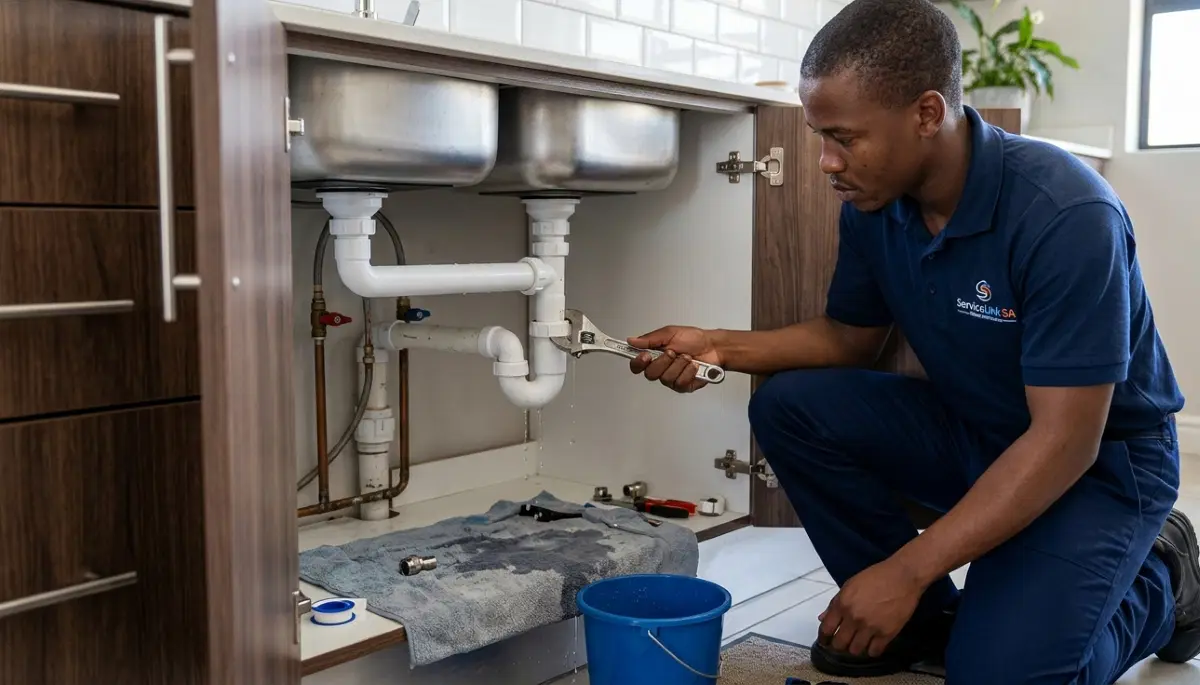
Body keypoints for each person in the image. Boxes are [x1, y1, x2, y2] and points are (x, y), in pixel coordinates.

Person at [627, 0, 1199, 682]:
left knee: (1003, 676)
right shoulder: (877, 201)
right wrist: (716, 345)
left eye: (844, 137)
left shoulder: (1066, 214)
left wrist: (903, 569)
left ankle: (1166, 578)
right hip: (980, 430)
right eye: (819, 135)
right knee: (792, 405)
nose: (825, 162)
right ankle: (925, 621)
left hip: (1099, 466)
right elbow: (848, 340)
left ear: (927, 114)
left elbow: (1064, 441)